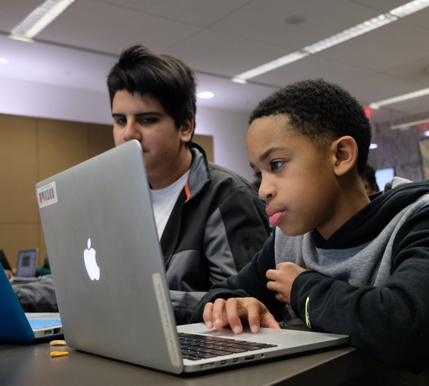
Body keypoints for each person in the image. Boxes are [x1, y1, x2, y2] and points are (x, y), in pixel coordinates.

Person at [191, 79, 429, 385]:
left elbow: (414, 332)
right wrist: (230, 305)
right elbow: (225, 294)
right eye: (258, 174)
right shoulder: (289, 239)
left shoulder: (421, 220)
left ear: (341, 155)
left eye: (276, 164)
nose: (262, 190)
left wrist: (303, 289)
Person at [14, 45, 270, 324]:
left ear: (185, 127)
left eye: (146, 120)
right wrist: (12, 294)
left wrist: (123, 298)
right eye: (120, 120)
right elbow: (72, 285)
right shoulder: (110, 200)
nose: (128, 134)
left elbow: (238, 303)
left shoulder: (227, 197)